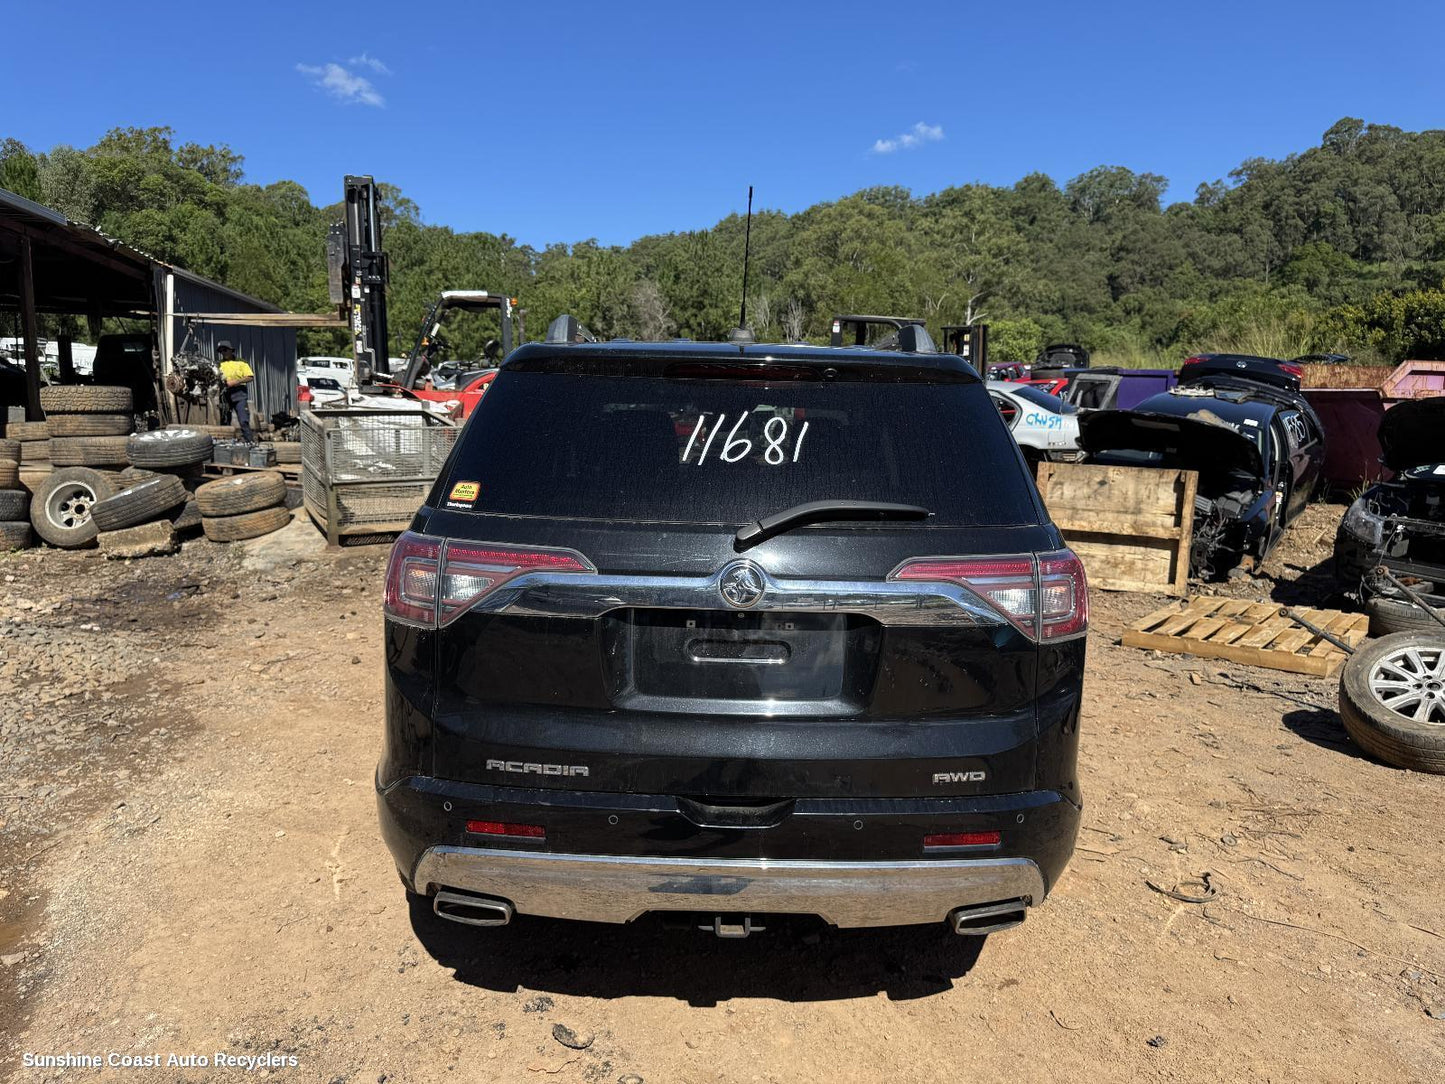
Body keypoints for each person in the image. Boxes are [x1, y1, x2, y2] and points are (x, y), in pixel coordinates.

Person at [216, 341, 255, 443]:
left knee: (243, 420)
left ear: (231, 350)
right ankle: (226, 444)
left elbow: (250, 377)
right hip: (225, 395)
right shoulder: (218, 364)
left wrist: (236, 382)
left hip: (239, 394)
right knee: (225, 420)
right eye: (221, 351)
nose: (223, 352)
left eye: (225, 350)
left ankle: (249, 442)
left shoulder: (241, 362)